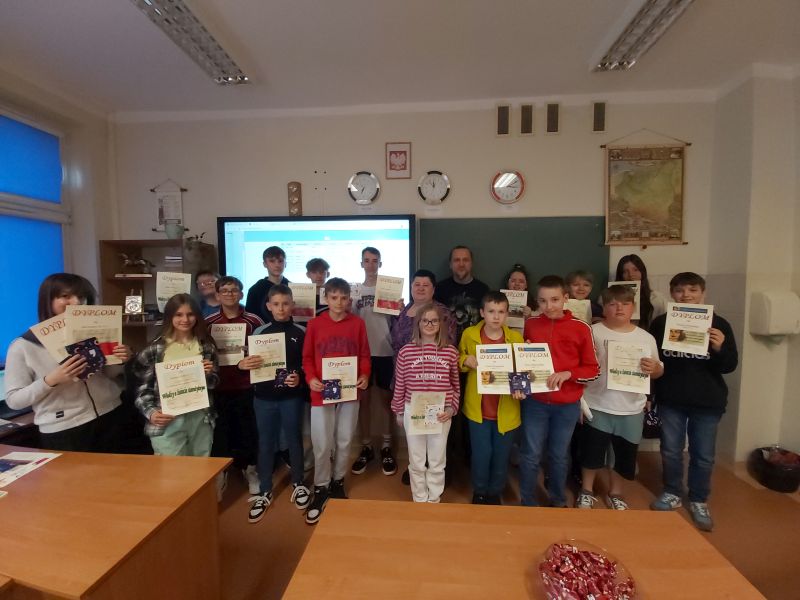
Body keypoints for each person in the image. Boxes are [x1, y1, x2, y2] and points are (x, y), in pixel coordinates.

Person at [649, 272, 737, 532]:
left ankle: (699, 499)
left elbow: (730, 365)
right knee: (670, 450)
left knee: (703, 455)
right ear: (672, 294)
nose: (686, 295)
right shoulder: (661, 323)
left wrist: (719, 348)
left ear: (703, 293)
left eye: (692, 290)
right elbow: (654, 361)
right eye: (679, 290)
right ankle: (672, 491)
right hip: (672, 398)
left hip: (707, 401)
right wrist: (651, 393)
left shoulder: (719, 324)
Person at [5, 273, 132, 452]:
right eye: (65, 296)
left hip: (112, 413)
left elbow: (109, 375)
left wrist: (120, 360)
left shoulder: (93, 330)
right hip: (65, 429)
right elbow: (14, 400)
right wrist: (51, 380)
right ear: (48, 300)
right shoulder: (24, 345)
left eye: (81, 296)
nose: (76, 302)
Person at [576, 285, 663, 510]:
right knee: (592, 452)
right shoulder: (592, 332)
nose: (619, 308)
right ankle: (586, 490)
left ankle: (616, 493)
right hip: (596, 403)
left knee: (623, 455)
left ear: (633, 307)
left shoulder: (645, 337)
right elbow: (579, 365)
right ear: (604, 308)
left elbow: (657, 370)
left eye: (625, 304)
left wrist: (654, 368)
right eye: (613, 304)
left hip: (631, 407)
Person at [519, 275, 600, 507]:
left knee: (559, 455)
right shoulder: (531, 324)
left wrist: (568, 374)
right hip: (535, 402)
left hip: (566, 405)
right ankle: (527, 501)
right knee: (531, 453)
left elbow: (593, 369)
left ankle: (557, 499)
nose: (549, 306)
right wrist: (520, 385)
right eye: (543, 301)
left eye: (554, 300)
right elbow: (520, 360)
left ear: (566, 298)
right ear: (537, 301)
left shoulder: (581, 328)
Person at [238, 285, 312, 523]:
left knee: (294, 439)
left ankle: (298, 483)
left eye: (285, 304)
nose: (281, 309)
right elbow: (249, 361)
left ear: (292, 305)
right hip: (264, 397)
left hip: (291, 397)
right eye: (276, 304)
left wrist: (299, 377)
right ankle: (265, 490)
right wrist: (243, 364)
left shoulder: (302, 332)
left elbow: (307, 363)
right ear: (269, 306)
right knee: (265, 442)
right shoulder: (259, 332)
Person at [301, 278, 370, 524]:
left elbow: (364, 355)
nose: (339, 302)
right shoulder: (315, 324)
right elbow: (307, 358)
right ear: (325, 298)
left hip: (349, 390)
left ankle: (338, 480)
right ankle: (321, 484)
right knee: (322, 441)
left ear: (349, 299)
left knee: (344, 438)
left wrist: (364, 375)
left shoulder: (357, 324)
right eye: (334, 298)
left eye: (343, 298)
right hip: (322, 391)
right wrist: (311, 378)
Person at [134, 293, 219, 457]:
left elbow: (214, 383)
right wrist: (151, 412)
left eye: (190, 314)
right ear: (169, 317)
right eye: (178, 315)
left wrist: (208, 375)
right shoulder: (154, 349)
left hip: (200, 417)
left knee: (202, 468)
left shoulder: (206, 347)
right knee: (172, 470)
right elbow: (141, 389)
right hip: (168, 419)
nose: (185, 319)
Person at [459, 291, 523, 504]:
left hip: (507, 410)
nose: (496, 316)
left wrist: (520, 388)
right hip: (478, 410)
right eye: (491, 311)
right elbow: (458, 358)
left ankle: (495, 491)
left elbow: (521, 370)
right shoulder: (470, 334)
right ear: (482, 312)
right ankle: (479, 490)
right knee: (481, 454)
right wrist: (465, 360)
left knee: (501, 455)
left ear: (507, 314)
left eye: (501, 312)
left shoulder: (515, 338)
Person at [392, 303, 460, 503]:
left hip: (441, 413)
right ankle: (420, 499)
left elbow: (456, 385)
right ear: (418, 323)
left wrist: (452, 408)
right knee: (416, 460)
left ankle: (434, 499)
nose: (430, 324)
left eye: (434, 321)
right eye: (425, 321)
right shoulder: (406, 352)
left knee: (437, 460)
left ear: (441, 324)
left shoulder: (450, 352)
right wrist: (398, 411)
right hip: (413, 410)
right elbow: (400, 384)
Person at [205, 276, 264, 497]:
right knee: (221, 433)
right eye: (225, 290)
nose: (230, 294)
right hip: (218, 388)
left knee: (247, 431)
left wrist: (252, 356)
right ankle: (221, 473)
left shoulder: (254, 320)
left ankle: (250, 470)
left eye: (234, 290)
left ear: (241, 294)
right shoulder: (208, 322)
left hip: (246, 387)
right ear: (217, 295)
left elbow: (265, 350)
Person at [351, 247, 398, 477]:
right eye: (367, 260)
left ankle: (387, 446)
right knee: (364, 402)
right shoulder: (354, 291)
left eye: (374, 260)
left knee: (388, 402)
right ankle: (367, 446)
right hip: (362, 354)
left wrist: (398, 307)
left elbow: (397, 321)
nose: (370, 264)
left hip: (385, 352)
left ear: (380, 263)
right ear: (361, 264)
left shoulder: (389, 289)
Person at [391, 269, 455, 354]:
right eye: (417, 285)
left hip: (431, 361)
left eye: (425, 285)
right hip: (400, 361)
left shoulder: (443, 313)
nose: (421, 288)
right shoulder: (404, 310)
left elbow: (449, 344)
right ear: (411, 287)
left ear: (433, 289)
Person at [434, 245, 489, 343]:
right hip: (444, 345)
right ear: (450, 264)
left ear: (471, 263)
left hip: (473, 345)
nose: (461, 264)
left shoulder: (483, 290)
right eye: (456, 260)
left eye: (465, 260)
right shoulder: (439, 289)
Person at [614, 254, 667, 329]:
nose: (631, 275)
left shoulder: (657, 298)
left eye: (635, 270)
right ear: (620, 275)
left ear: (642, 272)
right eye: (625, 271)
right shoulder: (610, 298)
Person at [245, 246, 290, 323]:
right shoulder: (255, 290)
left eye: (280, 261)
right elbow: (251, 318)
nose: (277, 265)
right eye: (272, 261)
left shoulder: (293, 287)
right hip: (263, 329)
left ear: (285, 263)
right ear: (264, 264)